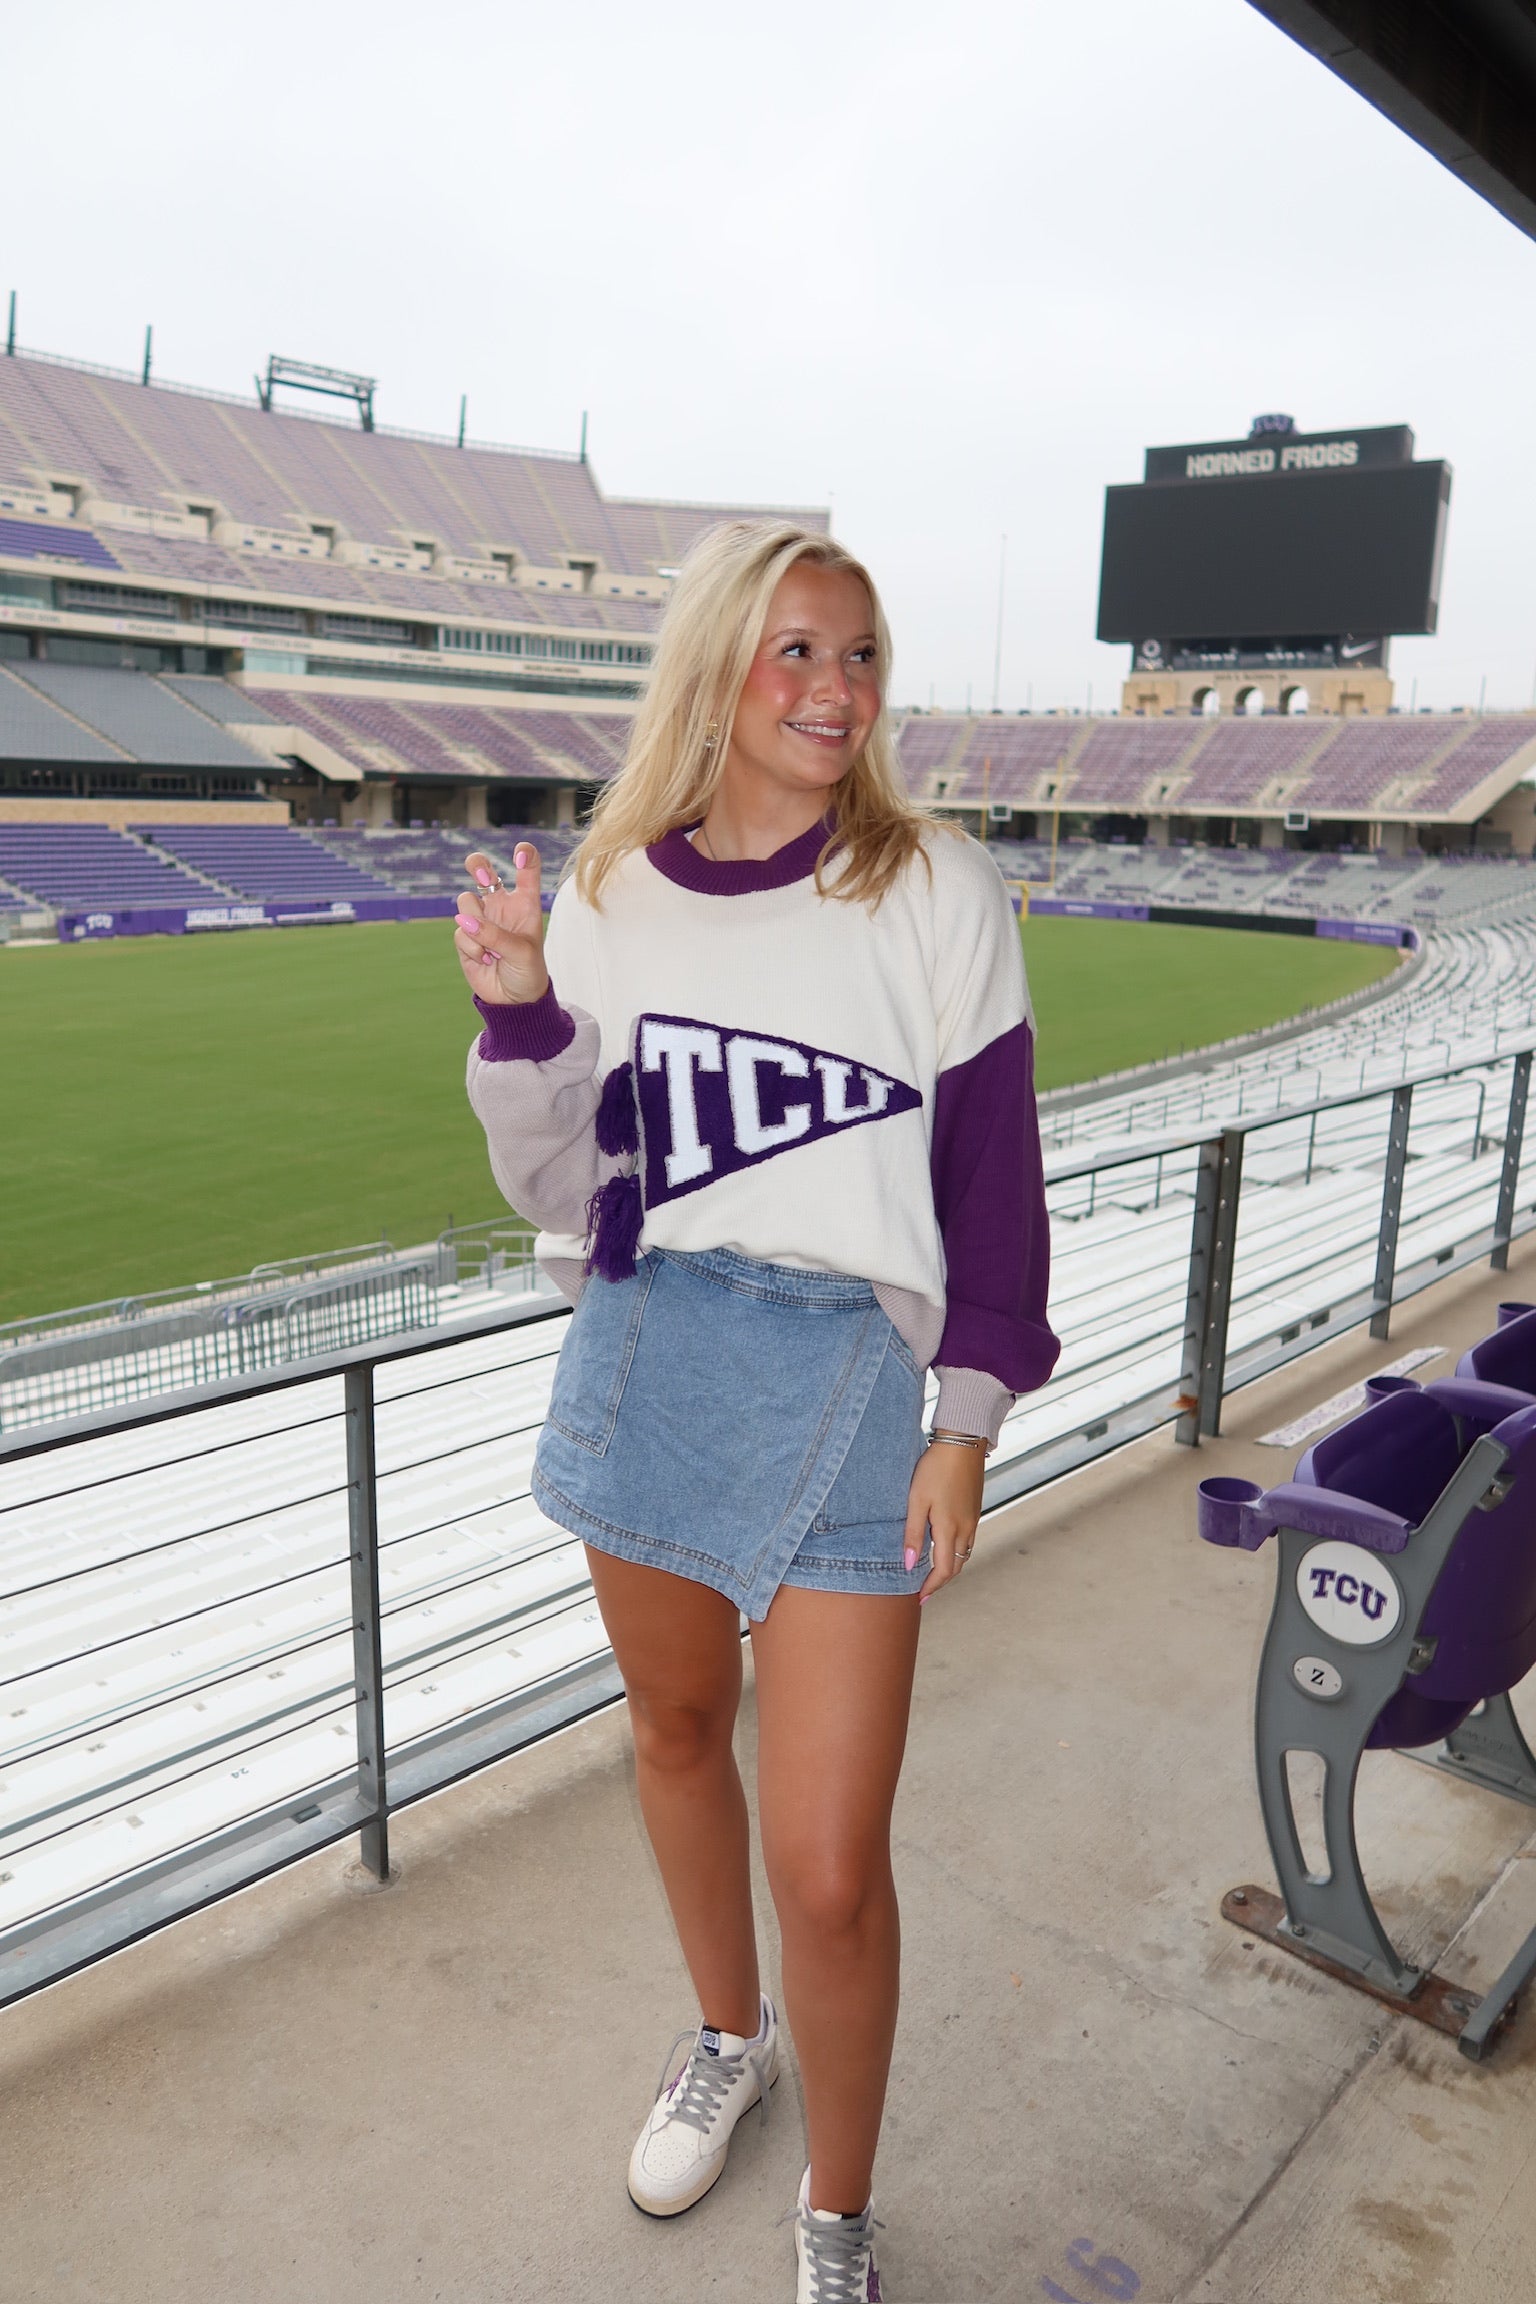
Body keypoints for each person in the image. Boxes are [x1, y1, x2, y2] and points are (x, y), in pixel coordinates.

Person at [454, 519, 1057, 2301]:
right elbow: (567, 1195)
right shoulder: (611, 889)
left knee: (832, 1861)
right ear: (718, 662)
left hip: (864, 1379)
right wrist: (515, 1019)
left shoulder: (935, 888)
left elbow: (996, 1181)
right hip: (652, 1343)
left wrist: (967, 1419)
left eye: (859, 654)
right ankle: (730, 2037)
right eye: (796, 649)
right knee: (664, 1736)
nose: (836, 688)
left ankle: (838, 2217)